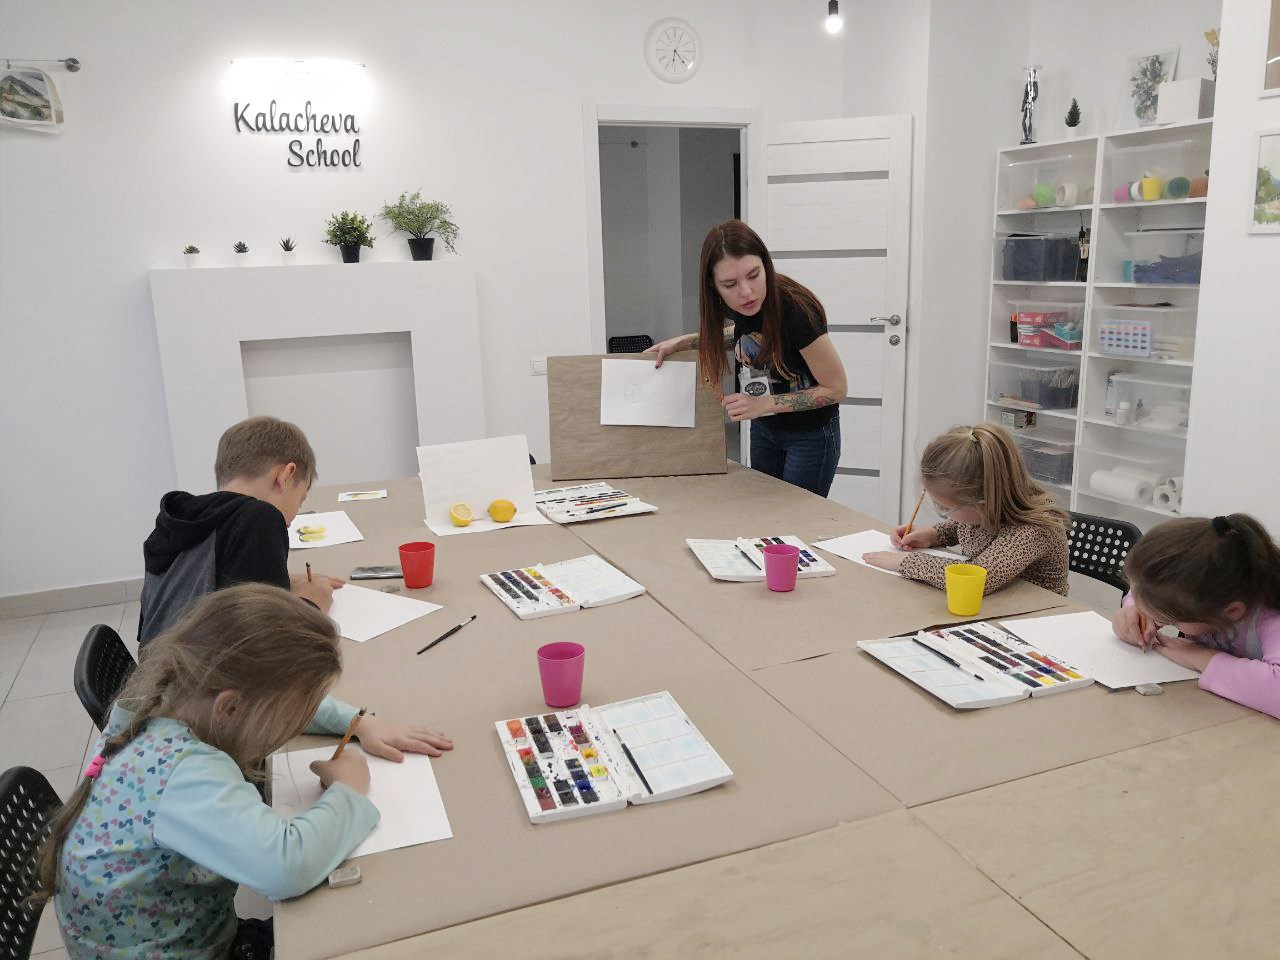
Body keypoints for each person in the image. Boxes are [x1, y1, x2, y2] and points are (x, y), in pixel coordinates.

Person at [35, 584, 454, 960]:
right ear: (231, 708)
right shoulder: (185, 775)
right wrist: (349, 789)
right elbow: (287, 867)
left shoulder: (170, 698)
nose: (296, 720)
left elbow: (271, 694)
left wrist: (358, 722)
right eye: (292, 714)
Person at [645, 219, 847, 497]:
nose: (747, 292)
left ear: (766, 264)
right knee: (763, 508)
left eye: (754, 275)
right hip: (765, 426)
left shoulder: (797, 312)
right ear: (713, 286)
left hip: (809, 435)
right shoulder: (739, 305)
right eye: (730, 284)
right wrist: (685, 342)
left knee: (797, 515)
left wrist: (763, 403)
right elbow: (747, 335)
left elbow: (836, 388)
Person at [138, 415, 342, 648]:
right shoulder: (259, 518)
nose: (291, 520)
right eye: (301, 500)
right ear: (285, 476)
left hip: (159, 666)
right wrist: (313, 603)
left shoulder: (180, 519)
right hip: (205, 671)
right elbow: (272, 645)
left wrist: (279, 583)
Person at [864, 423, 1069, 595]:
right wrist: (935, 534)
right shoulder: (986, 510)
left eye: (945, 508)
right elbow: (968, 527)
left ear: (983, 502)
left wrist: (906, 562)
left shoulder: (1035, 529)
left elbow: (977, 578)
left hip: (1036, 620)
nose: (944, 513)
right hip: (997, 605)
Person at [1113, 513, 1280, 719]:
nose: (1157, 621)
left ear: (1231, 612)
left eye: (1168, 620)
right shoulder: (1208, 592)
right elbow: (1144, 588)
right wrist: (1134, 608)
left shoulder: (1271, 616)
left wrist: (1199, 657)